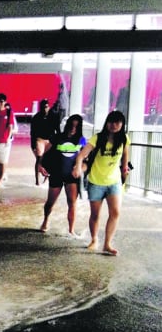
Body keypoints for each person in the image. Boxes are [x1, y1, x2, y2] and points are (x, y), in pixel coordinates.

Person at [72, 110, 131, 256]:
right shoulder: (97, 138)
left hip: (114, 182)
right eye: (111, 122)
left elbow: (125, 157)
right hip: (96, 182)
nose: (114, 125)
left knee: (115, 212)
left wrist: (124, 170)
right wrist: (78, 166)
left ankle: (107, 244)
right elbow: (81, 155)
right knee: (95, 214)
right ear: (107, 123)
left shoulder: (124, 139)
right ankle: (94, 239)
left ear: (122, 124)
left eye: (118, 122)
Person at [37, 114, 86, 236]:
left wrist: (80, 169)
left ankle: (71, 229)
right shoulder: (57, 137)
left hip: (72, 177)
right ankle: (46, 220)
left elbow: (86, 161)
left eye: (76, 126)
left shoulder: (82, 140)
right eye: (71, 125)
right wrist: (40, 165)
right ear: (67, 125)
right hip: (56, 173)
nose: (73, 128)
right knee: (50, 202)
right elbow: (45, 152)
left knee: (72, 203)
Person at [30, 98, 60, 186]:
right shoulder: (36, 117)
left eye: (46, 107)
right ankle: (37, 181)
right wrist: (33, 145)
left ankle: (46, 179)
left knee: (49, 159)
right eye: (43, 107)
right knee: (39, 159)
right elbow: (33, 133)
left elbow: (57, 130)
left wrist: (57, 141)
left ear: (49, 107)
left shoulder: (54, 116)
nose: (45, 109)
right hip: (40, 139)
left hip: (50, 140)